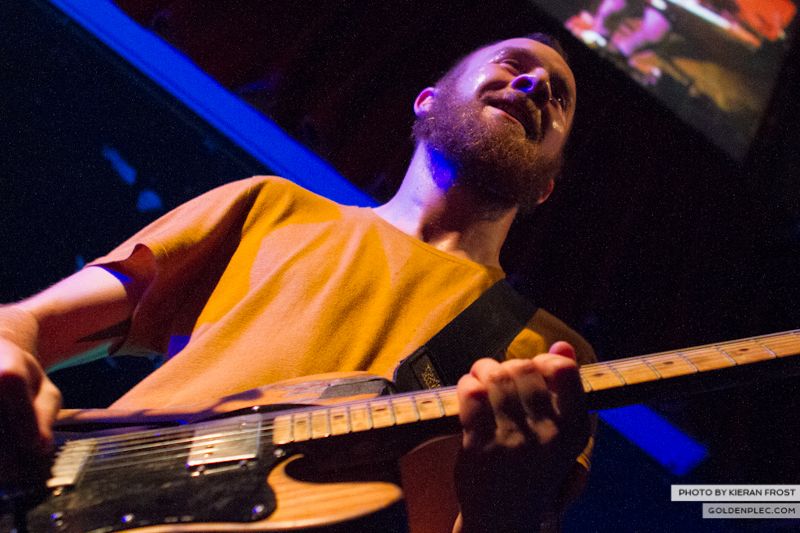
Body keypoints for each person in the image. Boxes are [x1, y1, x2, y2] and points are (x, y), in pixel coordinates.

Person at [0, 34, 593, 532]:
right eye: (513, 67)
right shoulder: (273, 207)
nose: (535, 85)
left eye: (557, 97)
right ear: (427, 101)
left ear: (547, 185)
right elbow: (32, 323)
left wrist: (503, 512)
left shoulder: (553, 360)